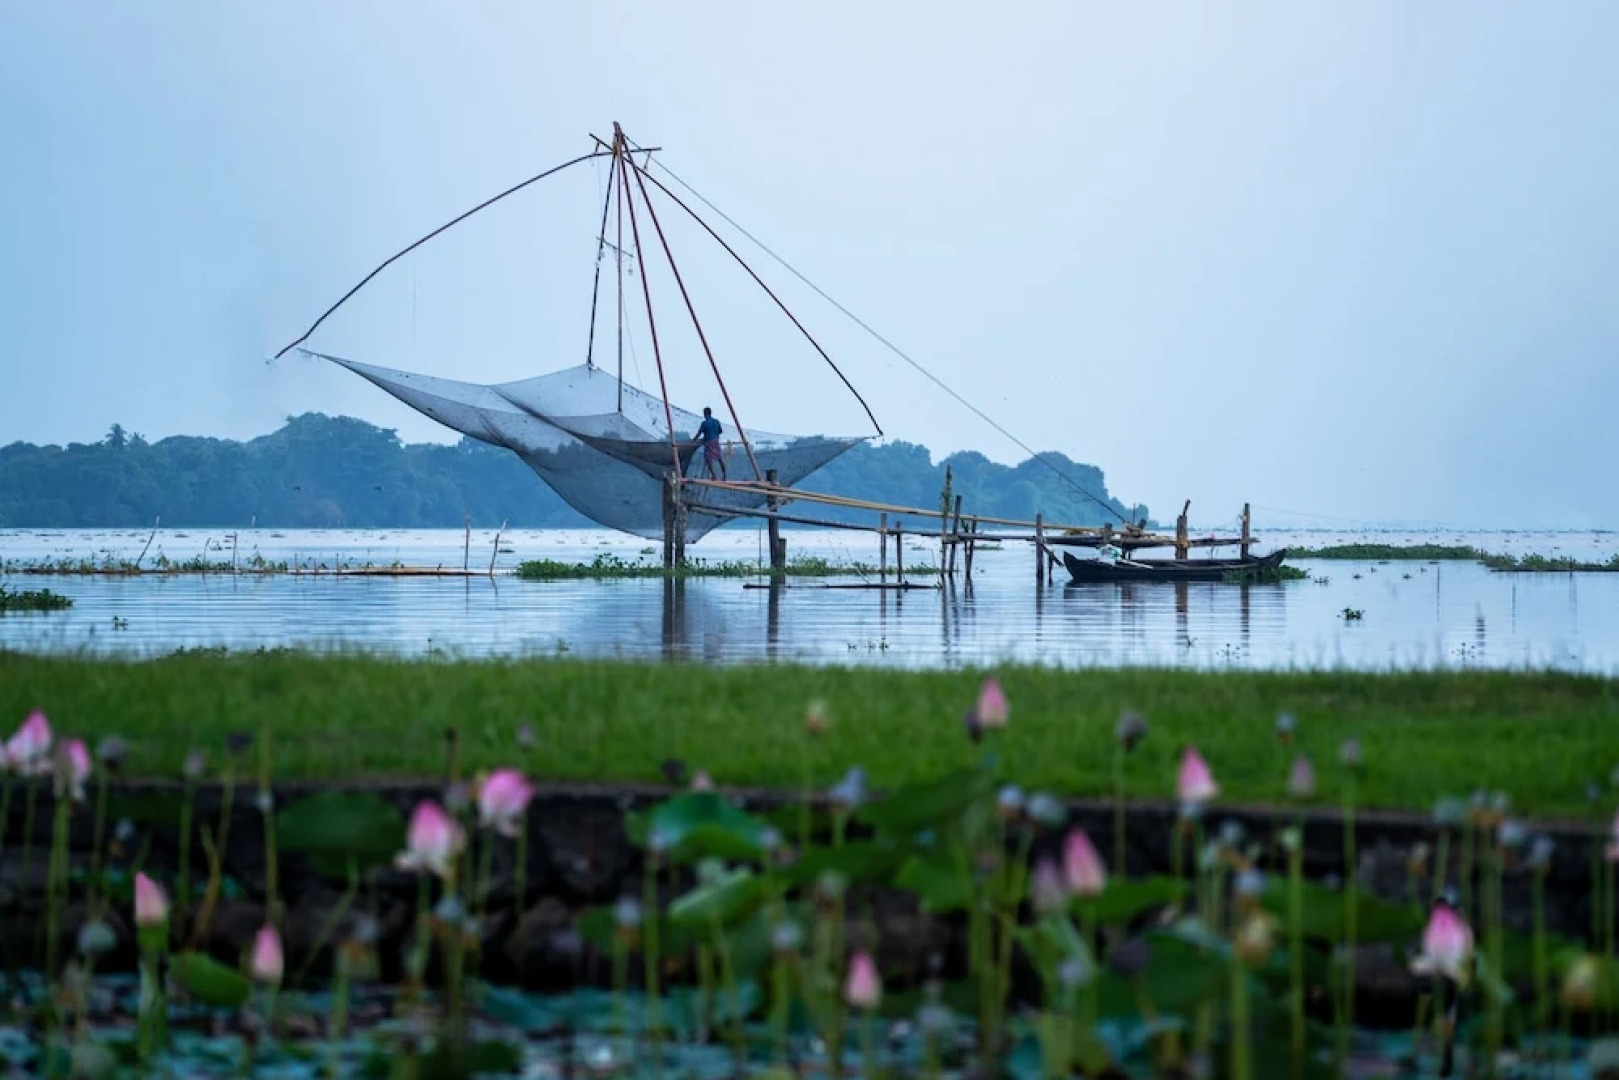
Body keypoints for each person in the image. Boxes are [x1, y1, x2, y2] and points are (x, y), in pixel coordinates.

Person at [693, 407, 726, 481]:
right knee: (719, 458)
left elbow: (699, 433)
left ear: (705, 414)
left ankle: (714, 475)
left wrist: (693, 441)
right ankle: (724, 475)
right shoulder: (716, 421)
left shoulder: (705, 423)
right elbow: (720, 431)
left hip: (709, 442)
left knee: (708, 459)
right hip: (716, 441)